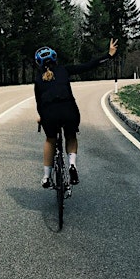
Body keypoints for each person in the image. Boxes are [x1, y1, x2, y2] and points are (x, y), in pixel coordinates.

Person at [35, 38, 118, 188]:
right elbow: (88, 66)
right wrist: (109, 55)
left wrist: (41, 117)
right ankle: (72, 165)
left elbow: (39, 103)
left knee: (50, 140)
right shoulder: (64, 70)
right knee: (70, 136)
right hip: (69, 111)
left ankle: (46, 177)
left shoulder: (38, 80)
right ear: (55, 58)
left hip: (50, 115)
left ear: (39, 63)